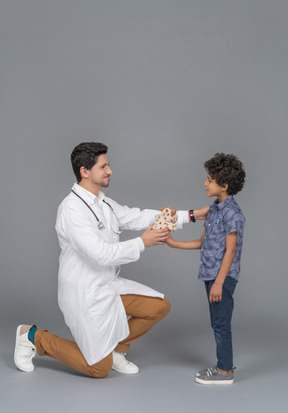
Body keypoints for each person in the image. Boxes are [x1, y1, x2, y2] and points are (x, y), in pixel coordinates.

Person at [14, 142, 209, 378]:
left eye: (109, 165)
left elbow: (137, 216)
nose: (110, 171)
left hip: (108, 286)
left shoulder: (103, 202)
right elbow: (100, 254)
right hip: (84, 294)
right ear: (85, 171)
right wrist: (143, 242)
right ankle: (32, 336)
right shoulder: (71, 210)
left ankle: (117, 349)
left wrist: (190, 215)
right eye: (104, 166)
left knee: (159, 306)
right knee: (98, 369)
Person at [166, 153, 245, 385]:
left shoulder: (233, 214)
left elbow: (230, 251)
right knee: (217, 322)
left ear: (224, 185)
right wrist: (174, 243)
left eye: (209, 179)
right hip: (210, 275)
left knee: (221, 323)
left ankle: (224, 372)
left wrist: (220, 282)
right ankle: (224, 366)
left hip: (222, 277)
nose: (205, 183)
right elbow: (204, 243)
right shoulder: (213, 210)